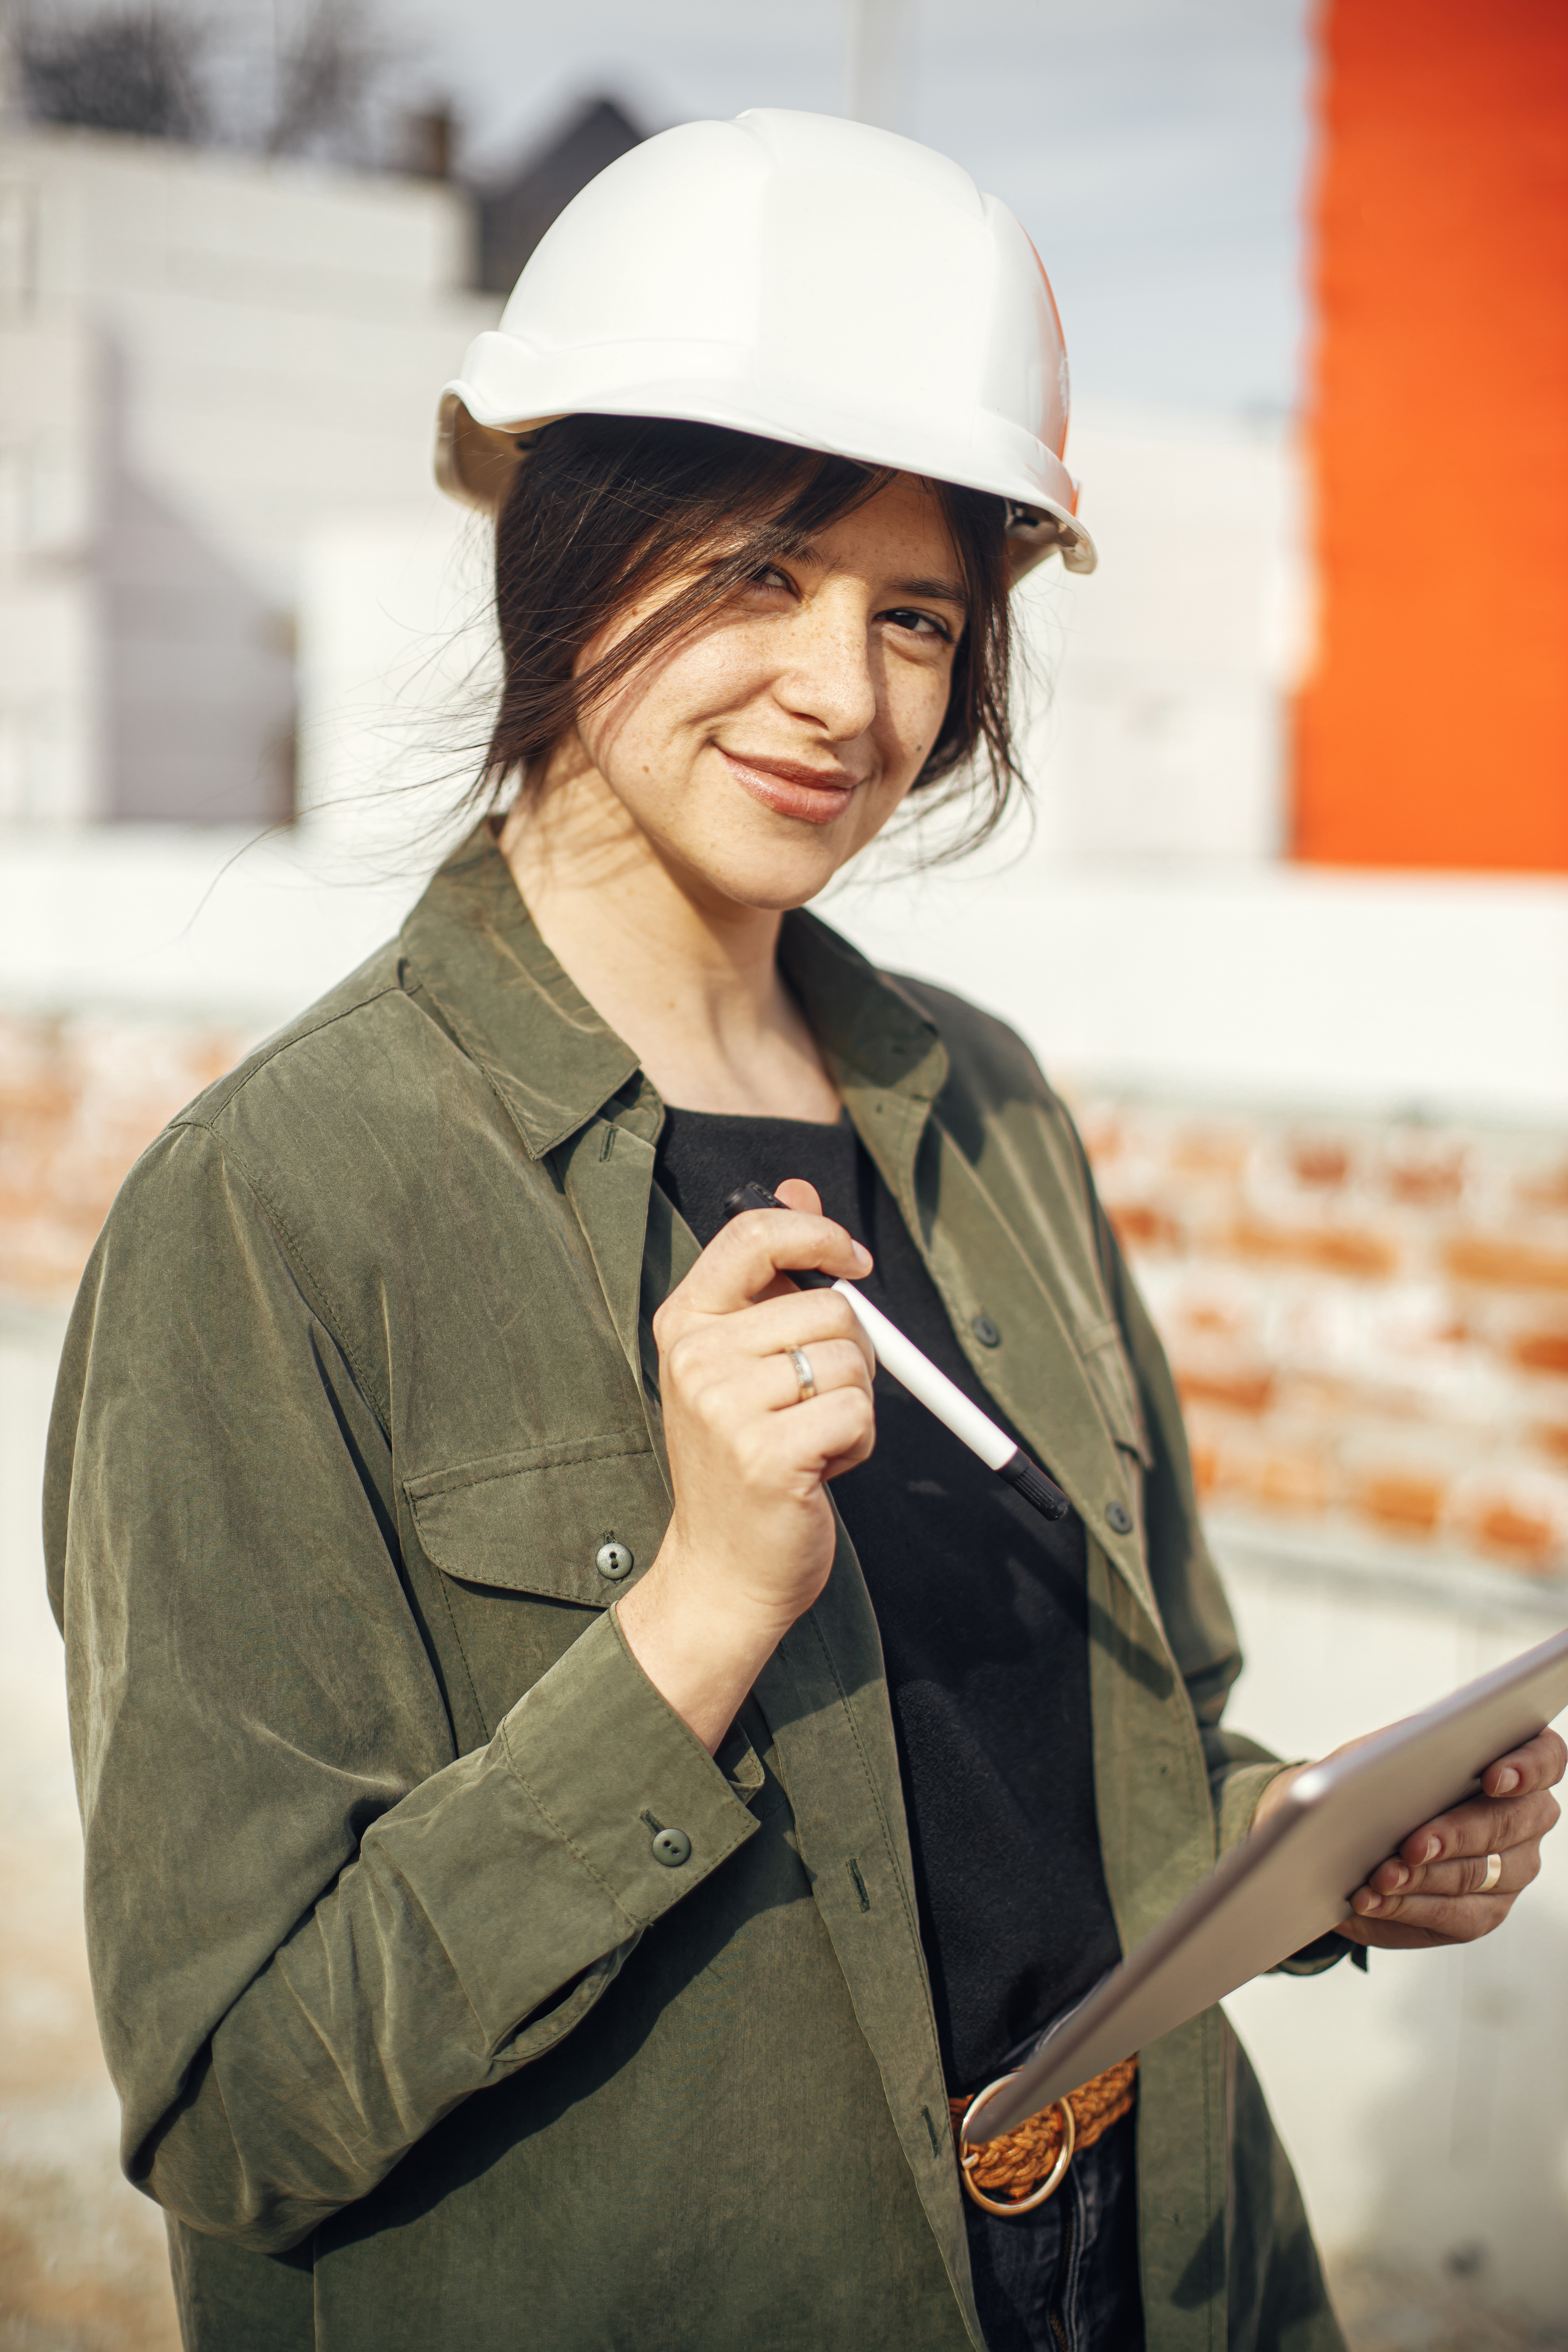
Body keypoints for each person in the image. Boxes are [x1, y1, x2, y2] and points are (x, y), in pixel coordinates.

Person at [45, 111, 1562, 2352]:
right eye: (760, 571)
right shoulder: (279, 1213)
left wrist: (1322, 1860)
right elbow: (247, 2103)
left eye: (918, 618)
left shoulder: (982, 1110)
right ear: (560, 548)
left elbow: (1133, 1748)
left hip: (1155, 2279)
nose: (847, 697)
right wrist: (693, 1620)